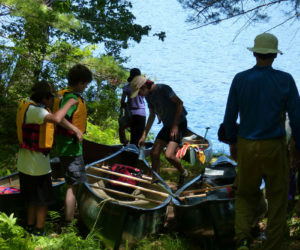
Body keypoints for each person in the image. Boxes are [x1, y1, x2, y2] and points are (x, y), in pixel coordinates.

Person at [223, 33, 300, 250]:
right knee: (277, 198)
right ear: (274, 55)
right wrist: (299, 149)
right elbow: (297, 118)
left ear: (255, 53)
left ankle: (243, 240)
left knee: (245, 194)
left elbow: (229, 118)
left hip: (247, 144)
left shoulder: (240, 79)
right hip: (275, 146)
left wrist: (233, 143)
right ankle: (273, 244)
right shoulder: (285, 80)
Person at [16, 80, 83, 236]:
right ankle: (39, 231)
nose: (52, 101)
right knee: (42, 202)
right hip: (37, 167)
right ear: (45, 97)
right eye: (51, 98)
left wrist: (74, 129)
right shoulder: (37, 112)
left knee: (32, 199)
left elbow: (55, 118)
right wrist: (69, 103)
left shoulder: (27, 105)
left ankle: (30, 227)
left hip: (25, 165)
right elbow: (57, 118)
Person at [130, 75, 190, 187]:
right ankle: (156, 180)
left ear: (144, 87)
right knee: (154, 152)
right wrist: (144, 134)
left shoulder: (163, 89)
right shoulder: (148, 96)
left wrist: (175, 125)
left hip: (179, 123)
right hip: (167, 125)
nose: (140, 95)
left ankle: (185, 173)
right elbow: (152, 115)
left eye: (139, 92)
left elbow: (179, 103)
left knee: (169, 155)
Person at [54, 64, 92, 223]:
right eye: (86, 84)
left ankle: (70, 215)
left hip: (67, 146)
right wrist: (76, 131)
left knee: (72, 183)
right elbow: (59, 117)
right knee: (73, 184)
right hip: (70, 148)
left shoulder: (67, 95)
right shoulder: (72, 99)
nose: (86, 87)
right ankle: (69, 221)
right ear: (80, 83)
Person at [119, 68, 146, 145]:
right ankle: (139, 153)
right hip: (142, 113)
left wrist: (125, 105)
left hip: (132, 113)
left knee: (133, 134)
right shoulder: (142, 87)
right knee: (140, 134)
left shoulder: (127, 87)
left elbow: (122, 101)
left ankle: (128, 147)